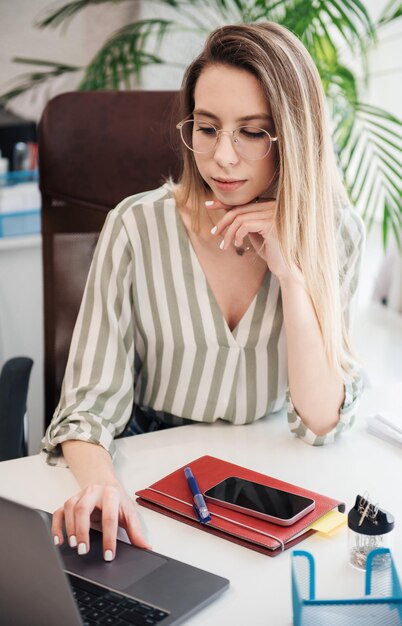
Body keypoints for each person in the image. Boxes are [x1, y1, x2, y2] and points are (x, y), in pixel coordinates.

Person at [41, 22, 364, 561]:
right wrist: (103, 487)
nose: (224, 157)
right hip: (149, 469)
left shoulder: (336, 234)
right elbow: (85, 410)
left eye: (253, 131)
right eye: (208, 128)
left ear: (294, 134)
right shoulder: (136, 226)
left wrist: (290, 272)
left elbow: (321, 420)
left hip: (266, 474)